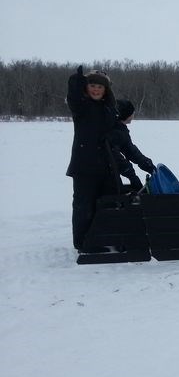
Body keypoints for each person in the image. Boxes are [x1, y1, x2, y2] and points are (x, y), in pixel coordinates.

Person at [66, 66, 119, 251]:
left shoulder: (108, 108)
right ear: (87, 88)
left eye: (100, 87)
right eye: (92, 86)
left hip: (105, 165)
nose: (96, 89)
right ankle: (83, 243)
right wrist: (76, 82)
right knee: (84, 206)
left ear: (106, 90)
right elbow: (73, 100)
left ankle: (102, 237)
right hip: (84, 166)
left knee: (107, 203)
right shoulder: (82, 107)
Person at [107, 99, 155, 191]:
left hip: (110, 172)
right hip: (102, 173)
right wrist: (131, 174)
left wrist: (148, 165)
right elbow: (114, 156)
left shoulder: (120, 129)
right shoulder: (115, 132)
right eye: (132, 112)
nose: (133, 115)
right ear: (127, 115)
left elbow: (131, 151)